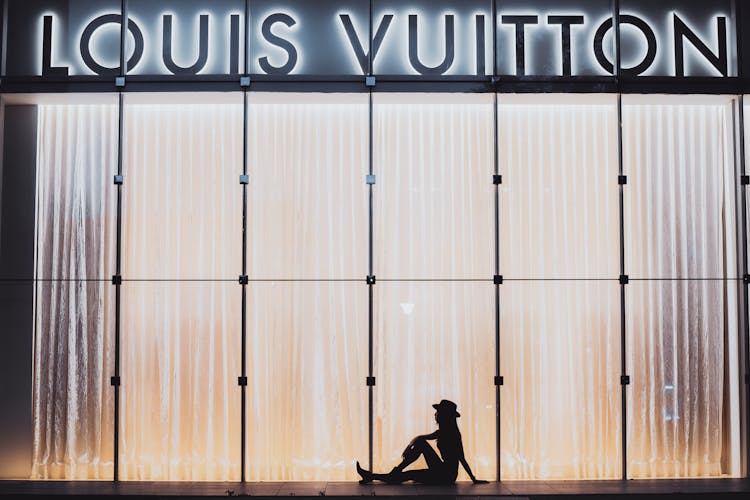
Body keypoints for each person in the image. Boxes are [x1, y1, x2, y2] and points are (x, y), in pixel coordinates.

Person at [356, 399, 488, 485]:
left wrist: (474, 478)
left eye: (438, 412)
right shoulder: (443, 432)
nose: (435, 415)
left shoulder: (452, 434)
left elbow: (462, 458)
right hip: (442, 471)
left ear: (444, 416)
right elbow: (420, 439)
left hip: (446, 476)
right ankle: (381, 474)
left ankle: (377, 475)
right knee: (409, 469)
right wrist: (410, 444)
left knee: (408, 475)